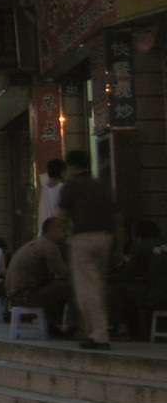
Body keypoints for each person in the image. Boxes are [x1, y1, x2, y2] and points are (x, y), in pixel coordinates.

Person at [58, 149, 118, 350]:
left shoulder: (71, 186)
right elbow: (116, 215)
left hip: (83, 238)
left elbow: (62, 216)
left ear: (71, 167)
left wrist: (63, 237)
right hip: (106, 237)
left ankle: (99, 335)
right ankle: (99, 330)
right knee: (98, 285)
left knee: (87, 289)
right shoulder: (101, 185)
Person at [5, 216, 73, 336]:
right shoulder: (49, 246)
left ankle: (52, 325)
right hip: (25, 296)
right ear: (52, 230)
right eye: (63, 230)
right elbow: (64, 273)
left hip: (15, 296)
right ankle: (70, 326)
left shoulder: (36, 243)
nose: (66, 234)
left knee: (56, 288)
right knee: (70, 287)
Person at [36, 158, 67, 232]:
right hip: (59, 232)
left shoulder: (41, 190)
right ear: (62, 173)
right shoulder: (63, 189)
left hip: (42, 231)